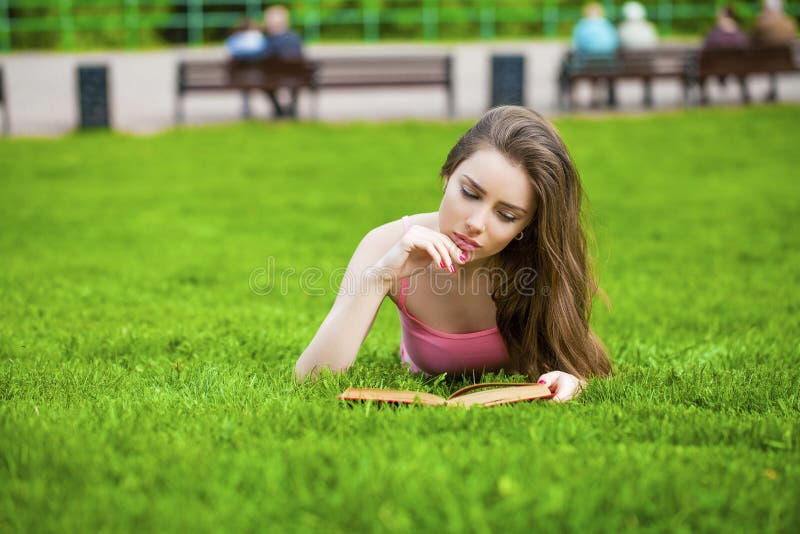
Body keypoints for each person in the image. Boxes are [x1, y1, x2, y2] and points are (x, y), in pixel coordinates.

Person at [294, 106, 613, 403]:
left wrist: (571, 379)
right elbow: (311, 380)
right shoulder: (385, 244)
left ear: (527, 226)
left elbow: (582, 366)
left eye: (506, 215)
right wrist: (379, 279)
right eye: (470, 193)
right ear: (448, 175)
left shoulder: (538, 260)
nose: (476, 223)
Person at [262, 4, 304, 118]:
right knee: (296, 81)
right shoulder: (296, 38)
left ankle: (278, 109)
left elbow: (264, 58)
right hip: (296, 77)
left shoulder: (267, 41)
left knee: (263, 82)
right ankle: (292, 107)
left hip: (271, 78)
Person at [751, 0, 798, 101]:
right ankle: (772, 91)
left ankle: (770, 91)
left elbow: (753, 41)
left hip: (767, 62)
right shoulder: (789, 22)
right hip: (788, 62)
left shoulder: (761, 23)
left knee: (769, 59)